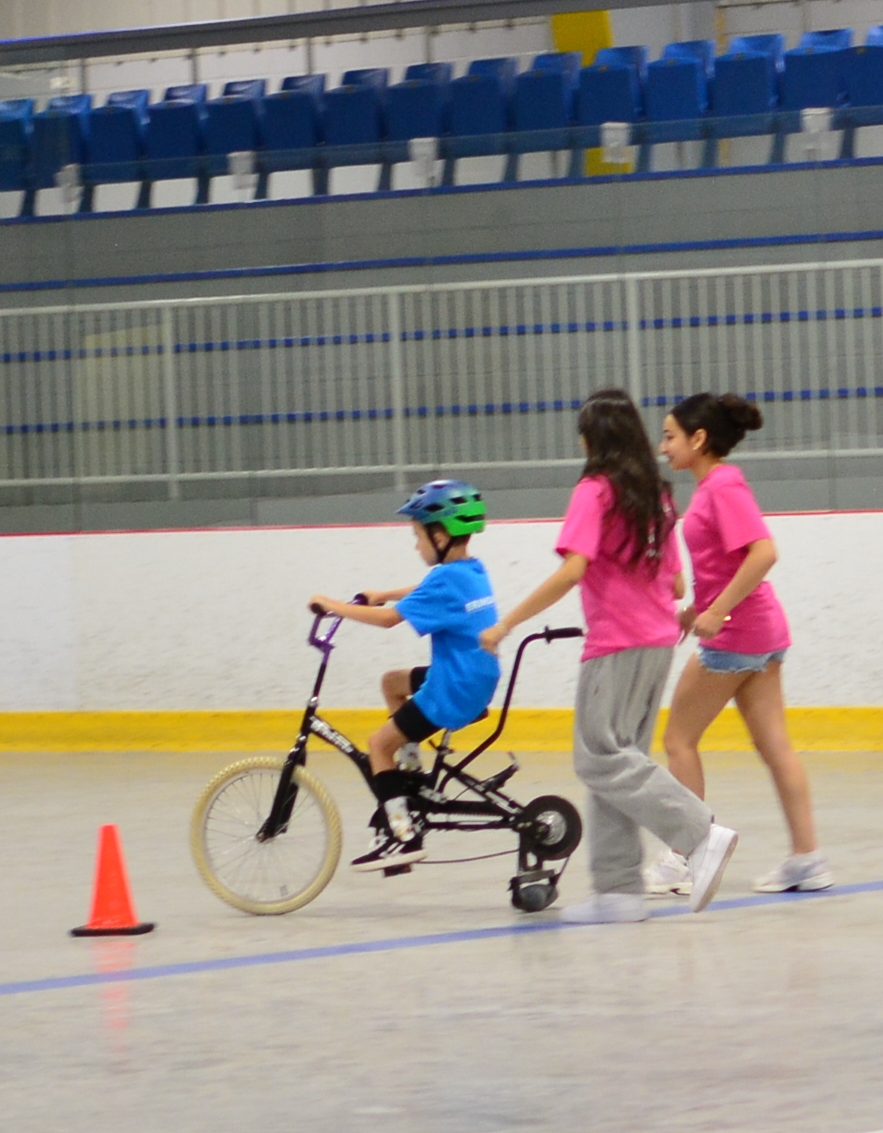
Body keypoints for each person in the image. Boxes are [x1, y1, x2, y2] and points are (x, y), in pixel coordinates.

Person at [489, 389, 739, 920]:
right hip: (657, 643)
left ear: (592, 439)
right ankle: (618, 891)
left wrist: (508, 622)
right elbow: (675, 584)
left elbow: (572, 570)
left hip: (616, 645)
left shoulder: (594, 492)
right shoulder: (658, 494)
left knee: (597, 757)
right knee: (619, 761)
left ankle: (699, 833)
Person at [657, 393, 831, 892]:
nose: (662, 446)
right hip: (761, 634)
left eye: (670, 436)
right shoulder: (716, 488)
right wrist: (699, 611)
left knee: (678, 740)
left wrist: (717, 612)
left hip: (738, 638)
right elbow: (727, 566)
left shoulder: (721, 489)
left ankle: (687, 857)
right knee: (774, 745)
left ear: (699, 439)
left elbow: (763, 553)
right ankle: (807, 859)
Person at [306, 478, 498, 847]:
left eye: (418, 536)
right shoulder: (470, 570)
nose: (416, 545)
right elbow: (424, 592)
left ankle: (402, 834)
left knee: (378, 746)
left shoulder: (445, 578)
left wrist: (333, 606)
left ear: (440, 537)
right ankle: (413, 778)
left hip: (451, 690)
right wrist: (383, 593)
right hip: (474, 678)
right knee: (391, 682)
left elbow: (390, 619)